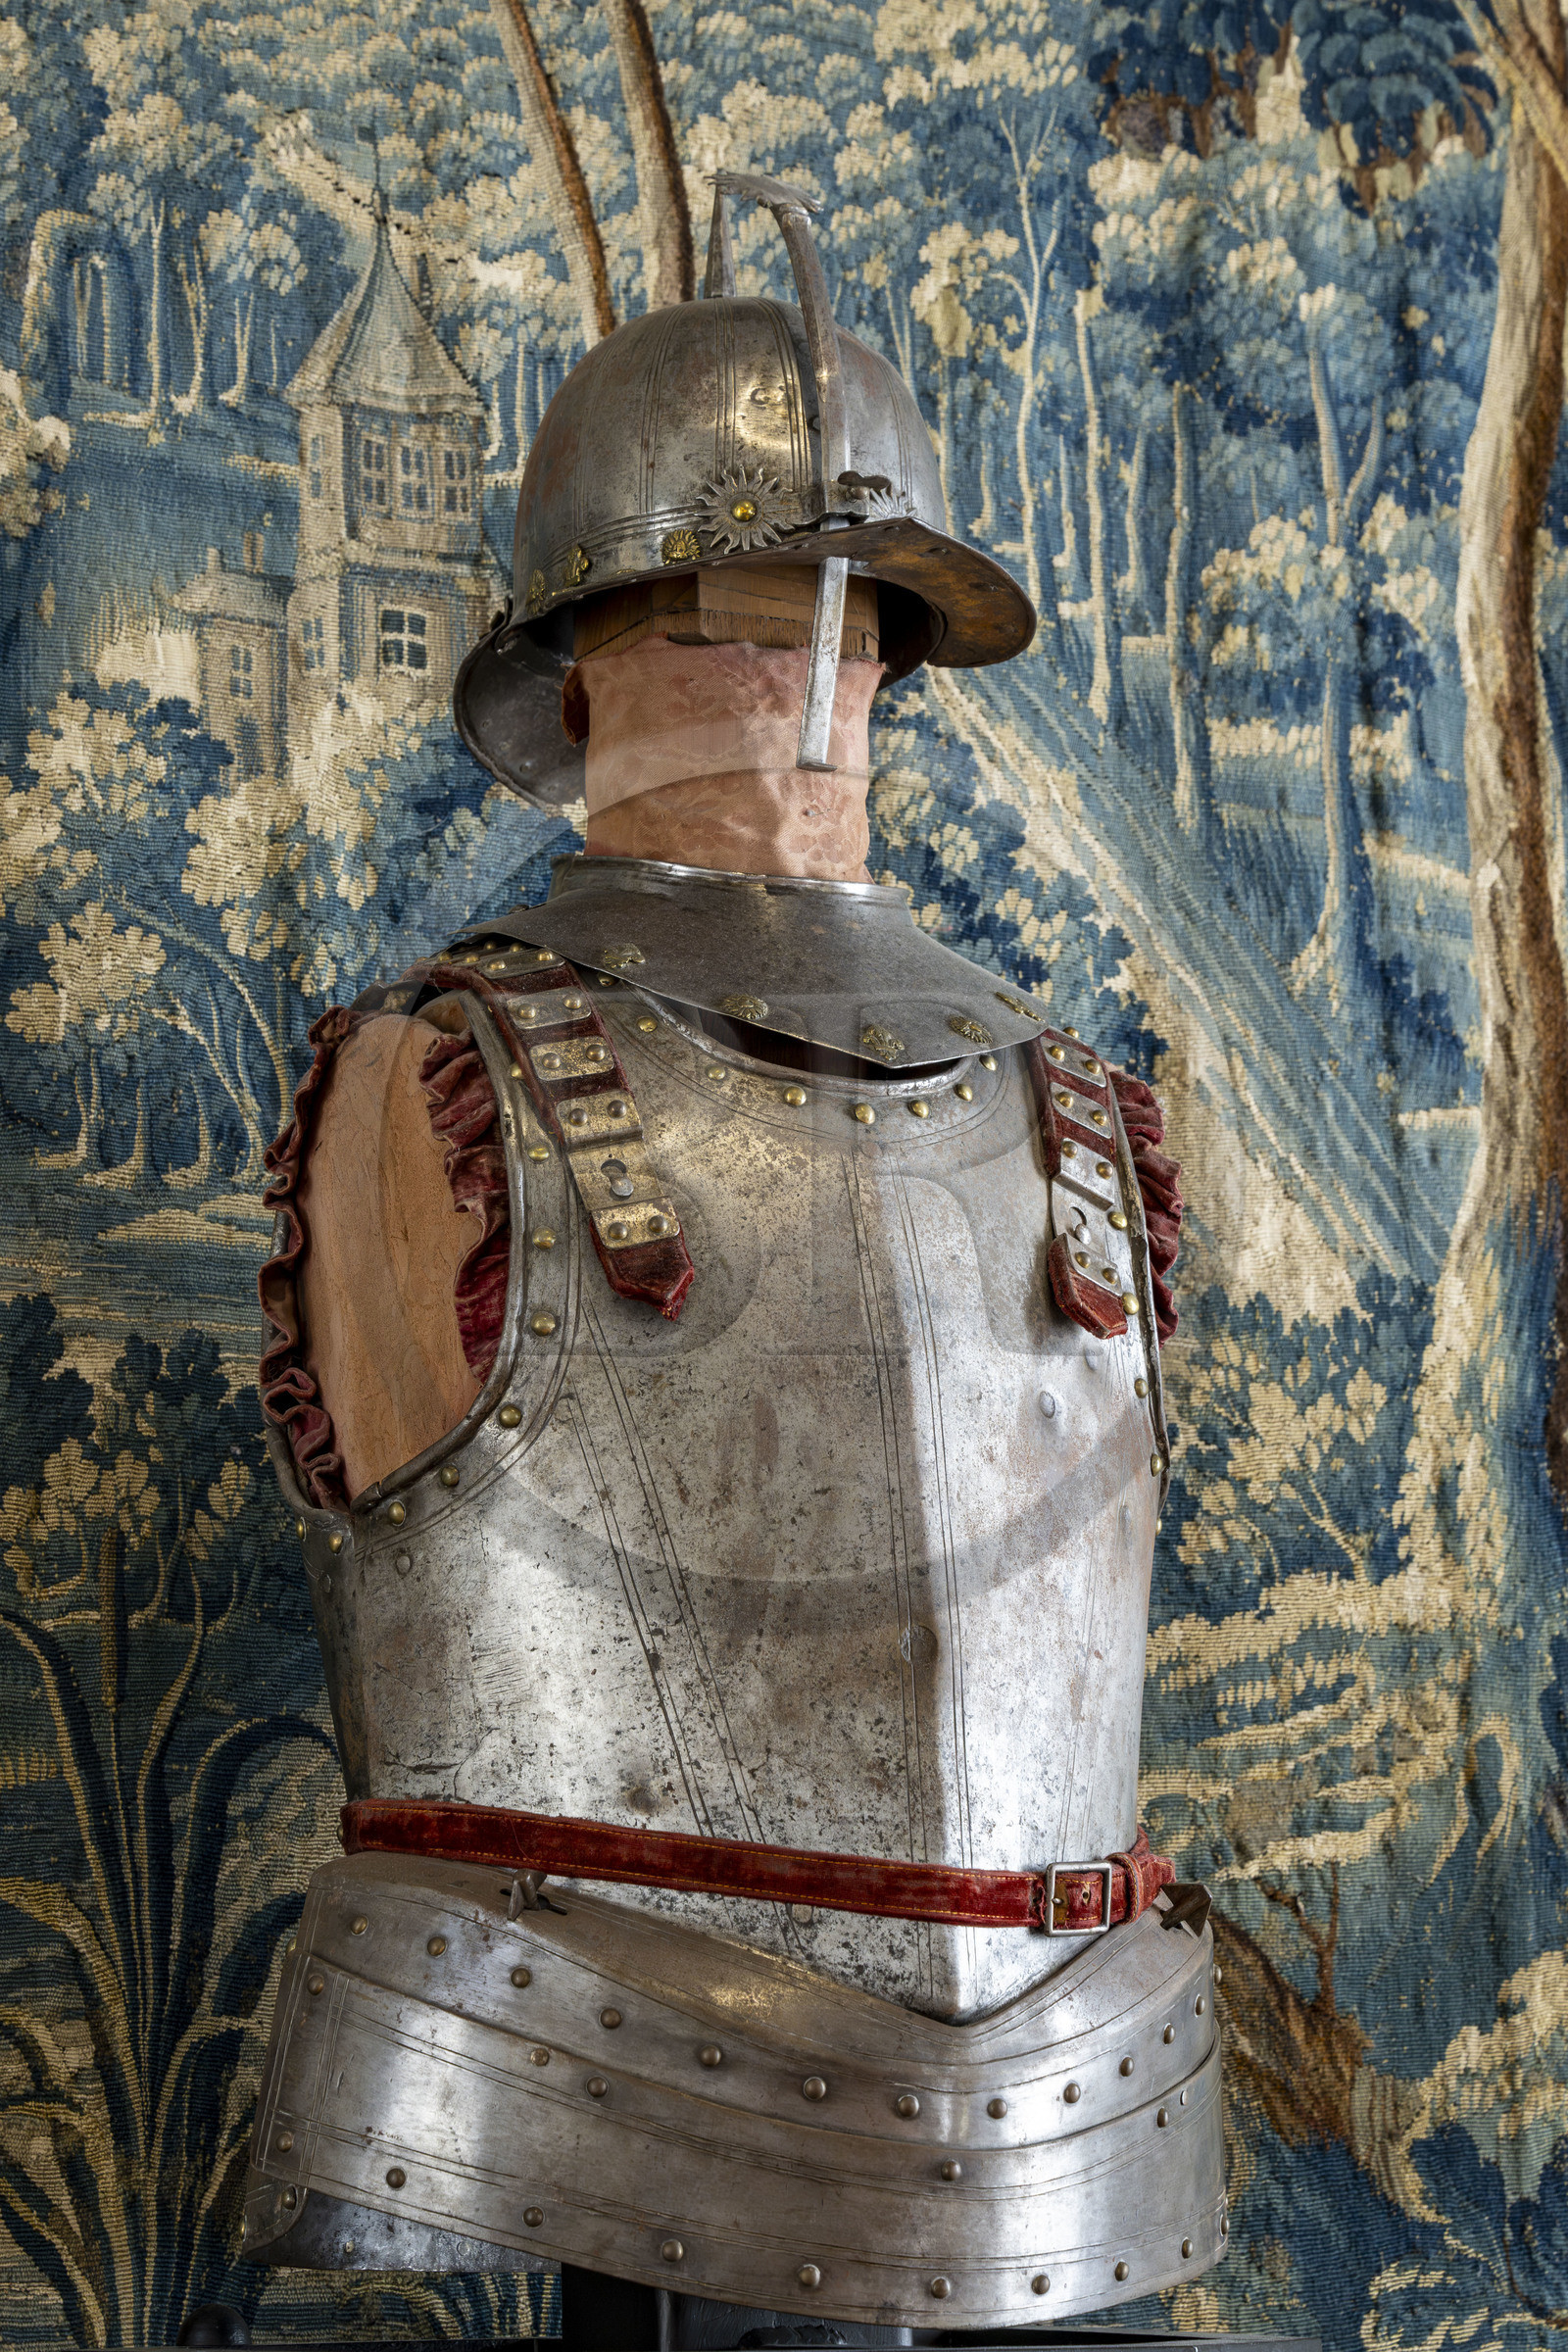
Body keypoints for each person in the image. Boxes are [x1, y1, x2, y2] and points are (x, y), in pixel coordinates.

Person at [242, 172, 1217, 2349]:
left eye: (828, 613)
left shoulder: (1067, 1097)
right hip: (573, 2074)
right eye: (766, 609)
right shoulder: (447, 1067)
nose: (801, 662)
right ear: (635, 646)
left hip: (1076, 2100)